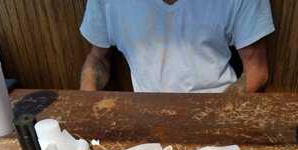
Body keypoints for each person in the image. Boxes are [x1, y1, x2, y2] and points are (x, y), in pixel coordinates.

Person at [80, 0, 274, 93]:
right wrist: (87, 104)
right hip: (146, 117)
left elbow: (256, 70)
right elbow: (97, 59)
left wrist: (219, 112)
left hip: (219, 107)